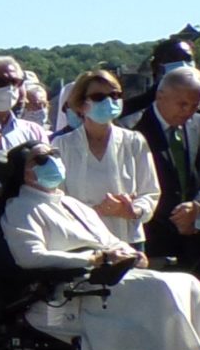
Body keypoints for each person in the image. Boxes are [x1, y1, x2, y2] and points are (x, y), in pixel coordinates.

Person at [0, 142, 200, 350]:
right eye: (42, 159)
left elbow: (109, 240)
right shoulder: (21, 208)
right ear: (25, 172)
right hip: (68, 292)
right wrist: (93, 259)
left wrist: (131, 254)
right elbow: (30, 256)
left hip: (106, 278)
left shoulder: (72, 204)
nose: (52, 161)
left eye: (54, 155)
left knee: (188, 283)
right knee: (157, 290)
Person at [134, 65, 200, 283]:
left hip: (197, 242)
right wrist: (176, 217)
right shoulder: (132, 129)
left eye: (195, 105)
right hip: (153, 240)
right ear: (160, 95)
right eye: (182, 104)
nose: (188, 111)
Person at [51, 70, 158, 247]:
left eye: (115, 95)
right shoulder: (62, 145)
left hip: (128, 240)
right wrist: (93, 212)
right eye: (98, 97)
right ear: (81, 104)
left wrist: (132, 210)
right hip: (81, 241)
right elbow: (55, 197)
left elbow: (150, 191)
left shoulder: (134, 141)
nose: (109, 101)